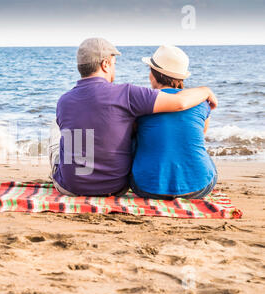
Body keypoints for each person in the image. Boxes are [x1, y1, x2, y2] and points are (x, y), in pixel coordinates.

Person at [48, 38, 218, 197]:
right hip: (115, 187)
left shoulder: (63, 100)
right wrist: (206, 91)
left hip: (72, 186)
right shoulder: (127, 94)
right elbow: (180, 102)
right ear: (105, 64)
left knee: (59, 129)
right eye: (114, 64)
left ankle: (77, 171)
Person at [129, 45, 217, 199]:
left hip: (146, 188)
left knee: (134, 138)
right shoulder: (202, 103)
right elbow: (202, 134)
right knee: (193, 143)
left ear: (153, 74)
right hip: (199, 188)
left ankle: (153, 175)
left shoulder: (143, 104)